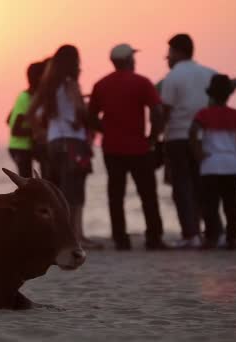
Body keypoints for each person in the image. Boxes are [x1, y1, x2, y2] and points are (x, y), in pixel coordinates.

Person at [88, 44, 167, 251]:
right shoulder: (142, 83)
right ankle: (154, 237)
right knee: (148, 194)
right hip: (139, 148)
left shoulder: (101, 85)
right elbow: (157, 111)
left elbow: (90, 116)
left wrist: (106, 130)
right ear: (130, 60)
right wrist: (153, 137)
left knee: (116, 195)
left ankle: (121, 239)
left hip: (112, 148)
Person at [27, 45, 100, 249]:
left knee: (59, 191)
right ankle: (76, 235)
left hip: (54, 141)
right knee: (75, 191)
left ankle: (62, 235)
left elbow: (31, 113)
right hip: (73, 142)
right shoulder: (70, 84)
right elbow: (80, 111)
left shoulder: (48, 86)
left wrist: (40, 133)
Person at [160, 34, 216, 248]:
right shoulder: (210, 74)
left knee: (182, 186)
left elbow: (166, 110)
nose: (168, 58)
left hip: (178, 136)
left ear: (178, 51)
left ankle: (190, 233)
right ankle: (205, 231)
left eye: (170, 53)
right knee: (202, 186)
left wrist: (157, 134)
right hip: (204, 137)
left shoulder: (173, 77)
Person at [189, 74, 236, 250]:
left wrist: (198, 154)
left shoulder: (203, 114)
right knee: (231, 203)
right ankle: (232, 238)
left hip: (210, 163)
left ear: (211, 94)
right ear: (229, 95)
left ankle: (211, 237)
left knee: (210, 204)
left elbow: (193, 134)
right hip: (231, 163)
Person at [7, 61, 47, 177]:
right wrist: (37, 132)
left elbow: (9, 119)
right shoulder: (26, 98)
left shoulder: (31, 97)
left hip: (28, 146)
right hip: (20, 147)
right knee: (26, 181)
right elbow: (15, 130)